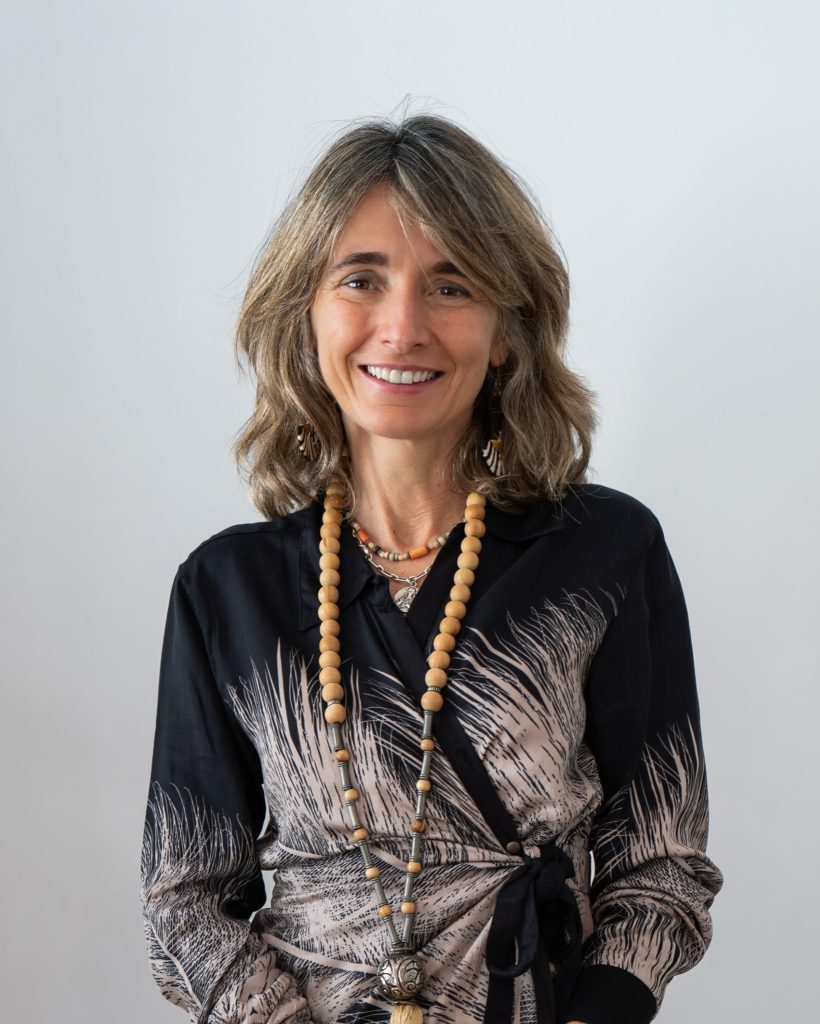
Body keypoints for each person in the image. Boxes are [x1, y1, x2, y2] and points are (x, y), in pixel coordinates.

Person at [139, 113, 723, 1024]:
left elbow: (662, 864)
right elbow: (185, 901)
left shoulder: (606, 555)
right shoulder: (227, 590)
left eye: (451, 286)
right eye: (361, 279)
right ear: (306, 314)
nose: (402, 326)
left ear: (506, 330)